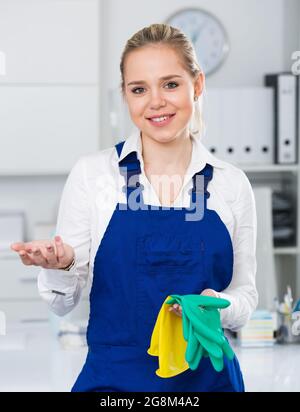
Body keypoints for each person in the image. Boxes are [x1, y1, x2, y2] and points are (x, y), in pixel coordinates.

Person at [10, 23, 258, 392]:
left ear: (198, 85)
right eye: (139, 89)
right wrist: (61, 265)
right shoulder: (93, 175)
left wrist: (218, 304)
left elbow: (246, 297)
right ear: (126, 95)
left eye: (171, 84)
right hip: (114, 383)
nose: (155, 101)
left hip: (208, 382)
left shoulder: (230, 184)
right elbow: (62, 305)